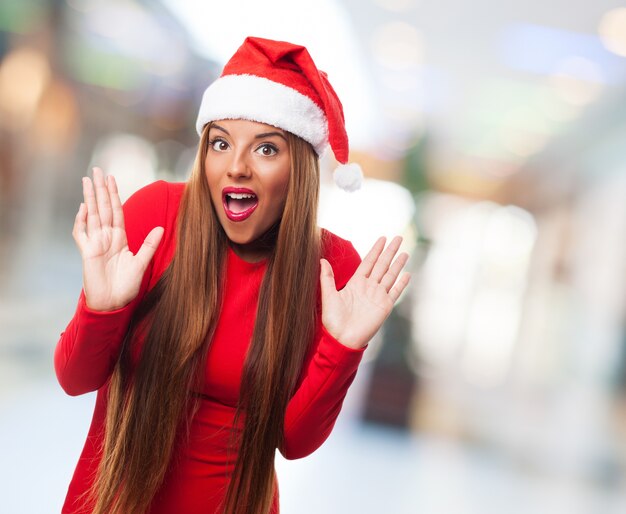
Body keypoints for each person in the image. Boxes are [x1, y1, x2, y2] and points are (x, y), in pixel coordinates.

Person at [54, 36, 410, 514]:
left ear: (300, 168)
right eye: (220, 143)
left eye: (266, 149)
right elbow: (75, 379)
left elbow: (294, 441)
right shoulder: (156, 215)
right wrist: (100, 308)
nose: (236, 167)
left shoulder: (330, 268)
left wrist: (341, 349)